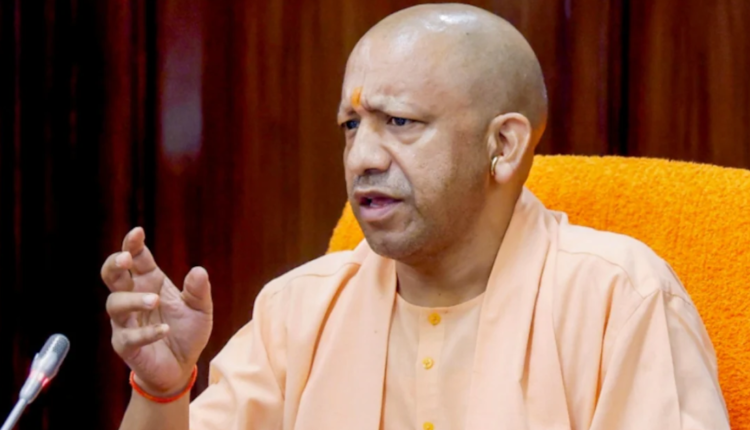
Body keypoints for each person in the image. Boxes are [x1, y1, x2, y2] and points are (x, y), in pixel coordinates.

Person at [100, 3, 730, 430]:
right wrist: (164, 390)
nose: (362, 158)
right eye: (352, 126)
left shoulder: (618, 299)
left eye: (400, 122)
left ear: (503, 145)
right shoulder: (297, 311)